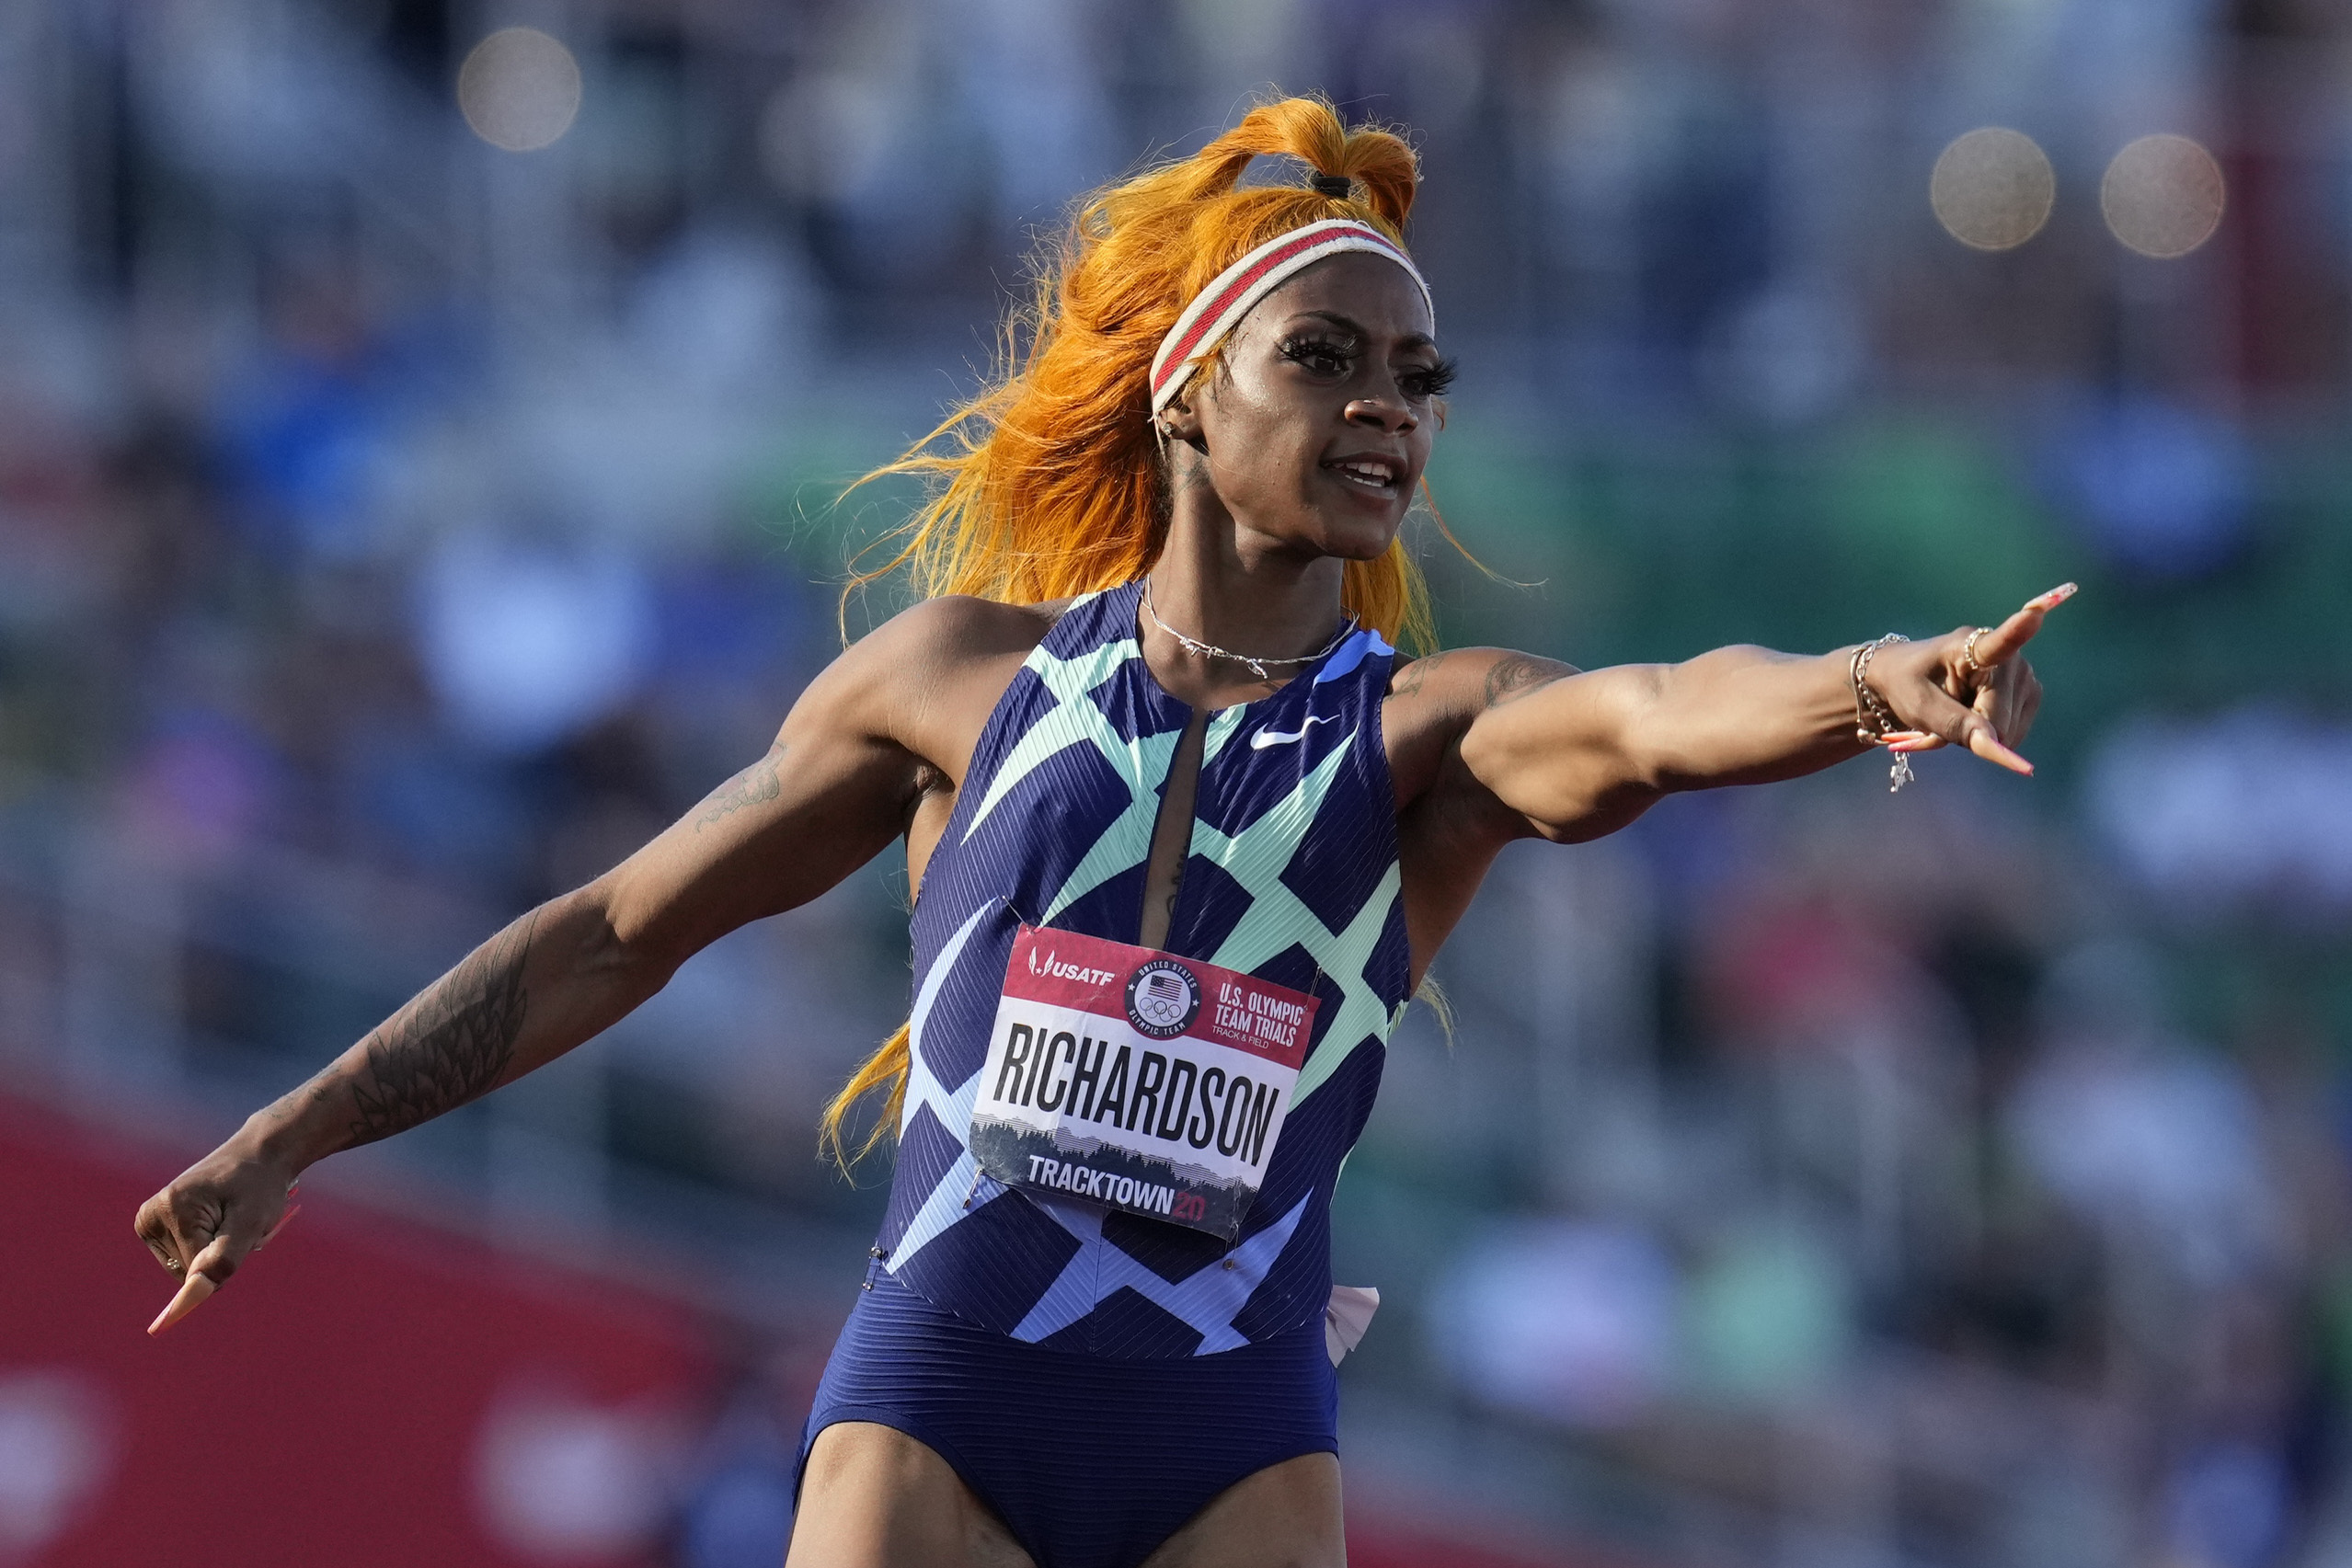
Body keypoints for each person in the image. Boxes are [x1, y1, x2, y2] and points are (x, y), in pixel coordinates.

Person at [133, 97, 2067, 1568]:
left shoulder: (1428, 735)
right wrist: (301, 1124)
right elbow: (623, 924)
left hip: (1228, 1433)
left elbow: (1650, 716)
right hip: (938, 1393)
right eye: (1326, 359)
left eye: (1417, 379)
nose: (1390, 410)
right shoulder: (952, 682)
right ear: (1180, 393)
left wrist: (1870, 680)